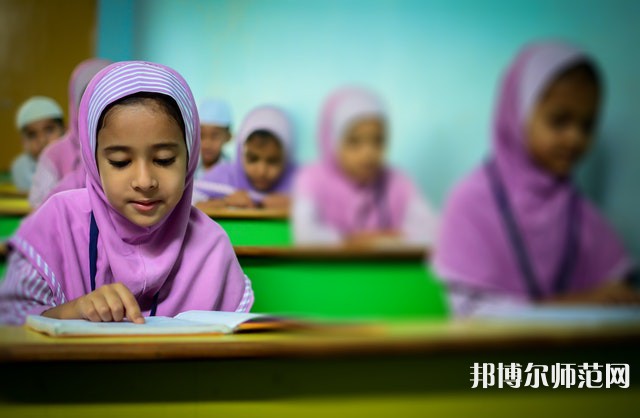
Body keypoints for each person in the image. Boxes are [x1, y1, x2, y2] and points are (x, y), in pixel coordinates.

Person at [0, 61, 253, 325]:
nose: (144, 181)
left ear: (190, 158)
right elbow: (8, 321)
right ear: (92, 159)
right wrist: (70, 312)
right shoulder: (57, 223)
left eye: (164, 159)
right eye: (120, 162)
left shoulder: (210, 246)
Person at [433, 41, 640, 316]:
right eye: (559, 121)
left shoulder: (577, 211)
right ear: (516, 115)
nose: (575, 138)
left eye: (587, 125)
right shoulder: (470, 202)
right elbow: (471, 315)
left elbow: (616, 290)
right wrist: (578, 304)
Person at [292, 87, 438, 246]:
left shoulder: (398, 181)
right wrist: (357, 240)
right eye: (355, 142)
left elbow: (435, 233)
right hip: (332, 270)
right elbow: (304, 235)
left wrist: (371, 241)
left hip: (387, 271)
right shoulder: (312, 179)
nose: (368, 153)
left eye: (378, 141)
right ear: (332, 142)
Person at [29, 58, 112, 208]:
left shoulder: (132, 147)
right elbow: (40, 207)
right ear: (76, 105)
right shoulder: (54, 154)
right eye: (88, 99)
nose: (98, 108)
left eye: (107, 98)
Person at [194, 105, 295, 209]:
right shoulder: (222, 177)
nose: (262, 171)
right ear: (240, 154)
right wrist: (226, 202)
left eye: (272, 161)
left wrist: (296, 205)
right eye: (253, 159)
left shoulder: (297, 183)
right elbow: (189, 205)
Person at [11, 96, 64, 192]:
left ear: (64, 131)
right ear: (24, 142)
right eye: (32, 135)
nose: (42, 140)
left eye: (49, 130)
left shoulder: (78, 160)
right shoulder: (21, 167)